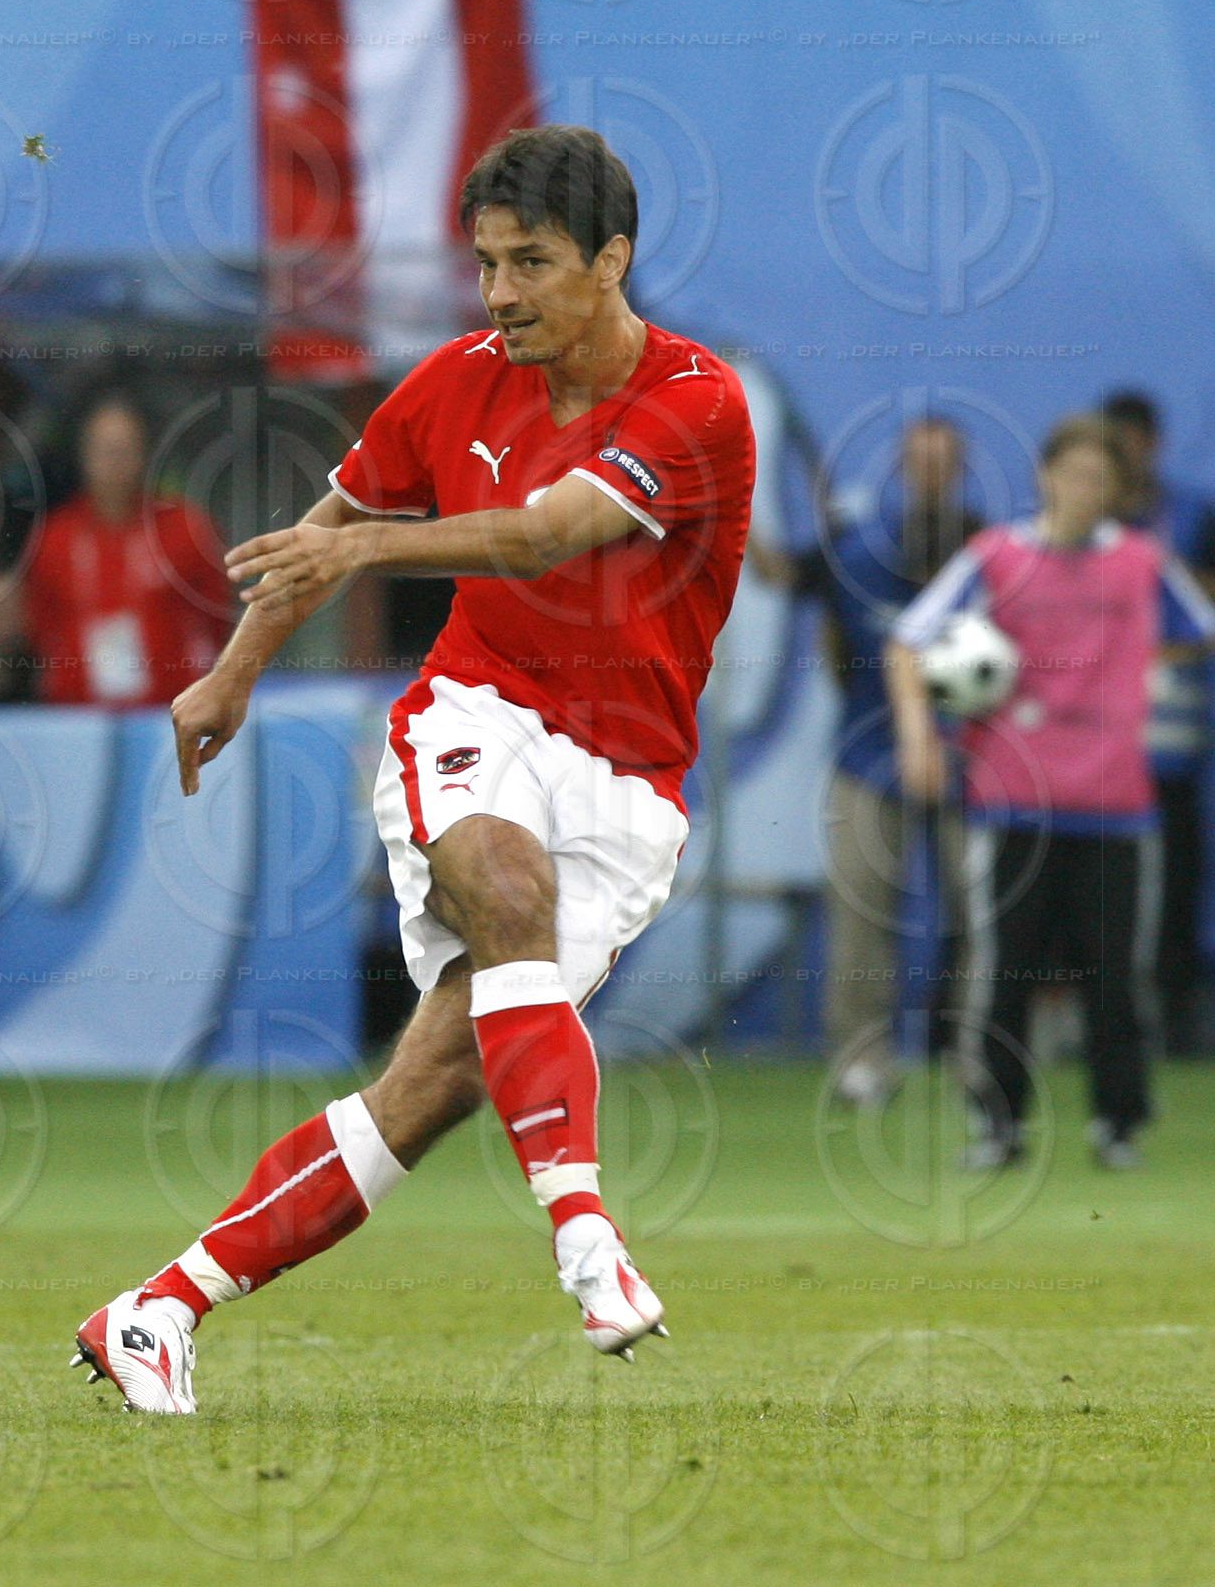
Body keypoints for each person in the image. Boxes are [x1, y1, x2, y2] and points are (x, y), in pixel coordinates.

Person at [73, 126, 754, 1412]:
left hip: (627, 781)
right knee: (503, 883)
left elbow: (551, 533)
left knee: (428, 1088)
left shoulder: (698, 403)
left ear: (612, 260)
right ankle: (588, 1237)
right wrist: (233, 673)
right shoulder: (455, 380)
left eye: (532, 264)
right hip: (474, 709)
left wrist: (367, 555)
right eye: (487, 263)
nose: (499, 293)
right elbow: (322, 536)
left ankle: (157, 1307)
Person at [889, 415, 1215, 1172]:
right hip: (1012, 801)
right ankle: (998, 1125)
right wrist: (917, 734)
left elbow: (1198, 627)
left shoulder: (1140, 562)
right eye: (1072, 474)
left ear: (1115, 490)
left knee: (1115, 973)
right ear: (1046, 476)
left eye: (1099, 480)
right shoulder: (997, 557)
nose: (1083, 490)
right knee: (1004, 969)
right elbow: (910, 639)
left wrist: (1129, 665)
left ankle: (1118, 1123)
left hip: (1115, 804)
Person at [753, 417, 981, 1103]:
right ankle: (861, 1061)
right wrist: (726, 505)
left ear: (961, 466)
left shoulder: (987, 551)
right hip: (865, 759)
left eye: (943, 457)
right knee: (861, 910)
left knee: (977, 914)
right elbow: (793, 588)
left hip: (971, 765)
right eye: (920, 458)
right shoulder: (854, 552)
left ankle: (978, 1059)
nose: (931, 470)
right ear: (902, 467)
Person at [1101, 390, 1215, 1055]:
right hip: (1089, 745)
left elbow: (1202, 609)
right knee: (1089, 888)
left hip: (1171, 742)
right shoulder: (1073, 526)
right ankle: (1082, 1019)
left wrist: (1142, 644)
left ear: (1151, 445)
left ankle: (1171, 1020)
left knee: (1174, 884)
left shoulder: (1192, 515)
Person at [21, 395, 233, 707]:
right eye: (104, 450)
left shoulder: (188, 529)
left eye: (124, 450)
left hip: (170, 713)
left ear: (144, 454)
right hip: (79, 718)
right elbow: (41, 626)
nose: (114, 462)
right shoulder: (55, 537)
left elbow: (218, 620)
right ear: (83, 455)